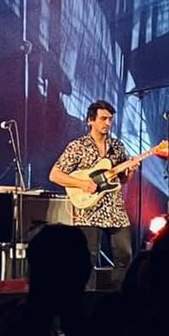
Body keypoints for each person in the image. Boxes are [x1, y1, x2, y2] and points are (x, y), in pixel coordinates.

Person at [49, 100, 136, 289]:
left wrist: (130, 172)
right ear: (90, 120)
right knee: (88, 259)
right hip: (88, 209)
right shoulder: (78, 146)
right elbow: (55, 175)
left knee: (125, 255)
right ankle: (87, 298)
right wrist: (82, 184)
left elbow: (121, 180)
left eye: (110, 119)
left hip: (114, 208)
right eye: (103, 119)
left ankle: (118, 296)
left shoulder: (117, 147)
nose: (108, 123)